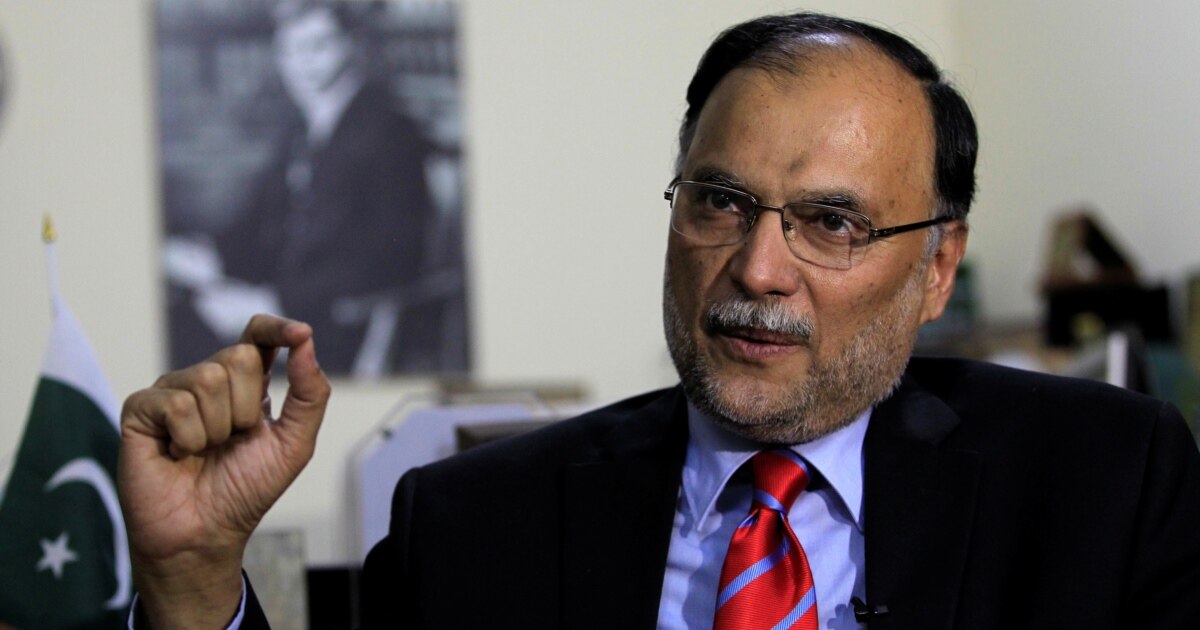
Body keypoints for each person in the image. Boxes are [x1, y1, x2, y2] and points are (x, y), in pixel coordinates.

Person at [120, 12, 1200, 629]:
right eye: (720, 202)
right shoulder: (470, 528)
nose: (758, 268)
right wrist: (195, 579)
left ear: (936, 269)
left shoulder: (1106, 485)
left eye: (831, 222)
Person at [164, 0, 444, 376]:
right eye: (290, 50)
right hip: (286, 307)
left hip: (341, 326)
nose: (303, 63)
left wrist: (276, 301)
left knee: (184, 345)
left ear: (352, 45)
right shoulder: (301, 129)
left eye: (319, 46)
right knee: (173, 312)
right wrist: (214, 257)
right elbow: (262, 219)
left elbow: (395, 254)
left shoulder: (389, 132)